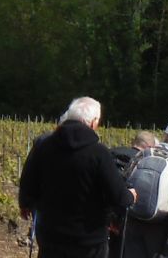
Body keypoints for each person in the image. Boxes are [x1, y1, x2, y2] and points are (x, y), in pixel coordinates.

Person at [18, 97, 135, 258]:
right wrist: (131, 196)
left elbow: (28, 181)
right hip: (87, 240)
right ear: (93, 122)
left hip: (50, 235)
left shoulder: (44, 146)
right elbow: (118, 197)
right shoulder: (98, 153)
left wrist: (25, 203)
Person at [118, 121, 168, 258]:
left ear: (165, 136)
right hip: (163, 233)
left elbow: (123, 185)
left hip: (134, 224)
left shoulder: (142, 155)